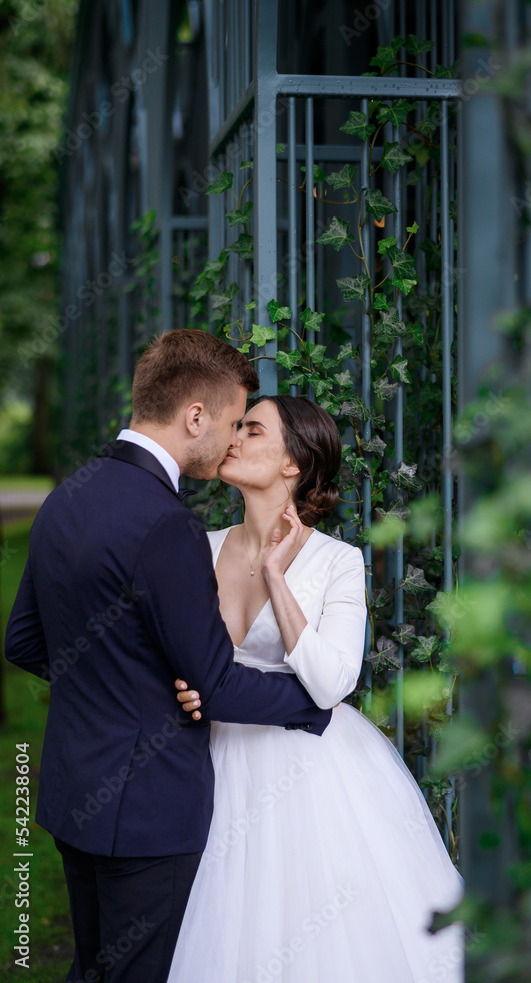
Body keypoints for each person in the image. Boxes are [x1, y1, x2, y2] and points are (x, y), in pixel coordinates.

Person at [4, 330, 331, 983]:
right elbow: (210, 682)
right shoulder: (166, 523)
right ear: (194, 417)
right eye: (235, 420)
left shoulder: (69, 494)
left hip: (74, 789)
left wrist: (114, 683)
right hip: (147, 812)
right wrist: (316, 704)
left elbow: (24, 641)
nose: (234, 436)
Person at [167, 394, 465, 983]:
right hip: (211, 755)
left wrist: (278, 577)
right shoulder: (202, 547)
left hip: (308, 765)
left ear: (292, 464)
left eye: (253, 429)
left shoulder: (337, 562)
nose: (236, 435)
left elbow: (331, 682)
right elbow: (183, 659)